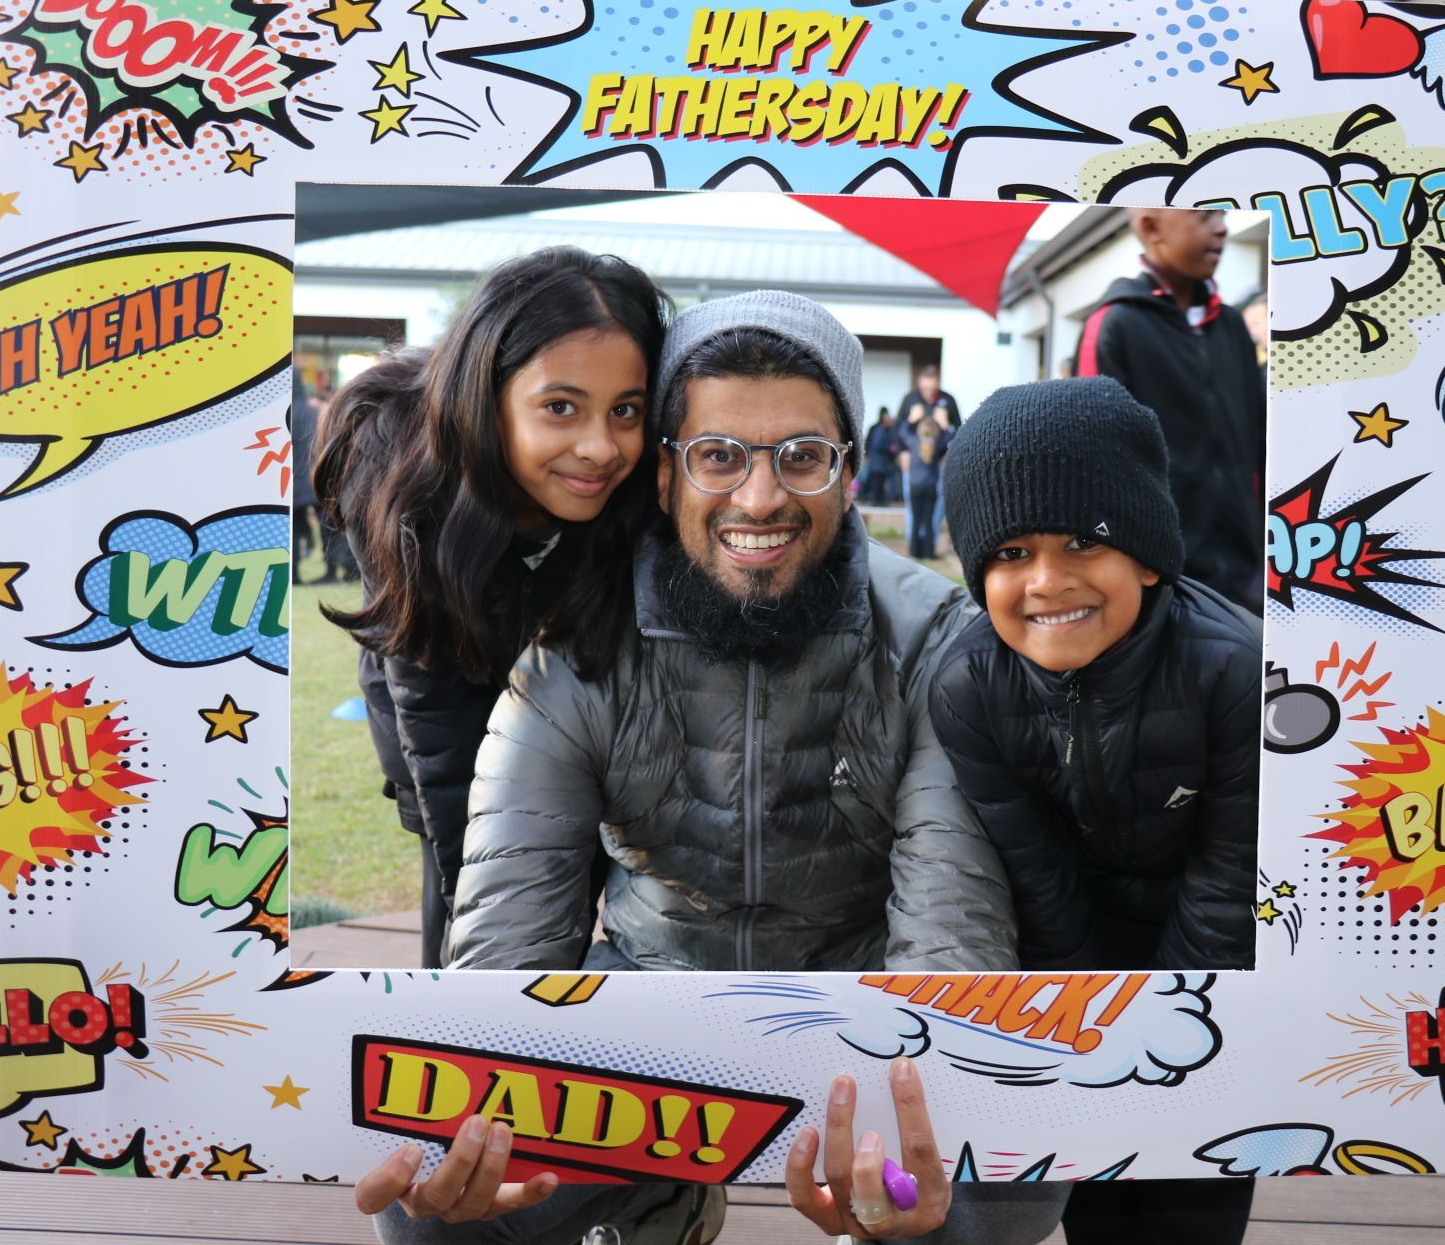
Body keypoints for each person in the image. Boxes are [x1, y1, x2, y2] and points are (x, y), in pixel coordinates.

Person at [373, 291, 1060, 1245]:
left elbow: (952, 918)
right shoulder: (580, 645)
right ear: (665, 476)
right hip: (650, 1005)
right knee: (443, 1209)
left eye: (802, 457)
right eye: (719, 455)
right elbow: (511, 924)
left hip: (861, 1010)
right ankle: (662, 1194)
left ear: (849, 473)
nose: (761, 497)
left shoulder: (938, 639)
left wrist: (922, 1109)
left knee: (993, 1188)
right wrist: (482, 1106)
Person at [933, 376, 1259, 1245]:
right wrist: (1095, 1046)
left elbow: (1231, 883)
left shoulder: (1236, 672)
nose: (1047, 581)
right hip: (1076, 972)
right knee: (1100, 1196)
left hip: (1217, 972)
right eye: (1009, 553)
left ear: (1148, 556)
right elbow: (1032, 873)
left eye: (1084, 541)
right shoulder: (968, 688)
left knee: (1195, 1193)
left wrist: (1176, 1035)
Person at [314, 246, 669, 970]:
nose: (600, 447)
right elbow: (445, 756)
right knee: (467, 910)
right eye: (560, 407)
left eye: (626, 410)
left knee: (568, 845)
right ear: (487, 394)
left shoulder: (634, 493)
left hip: (566, 700)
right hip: (431, 698)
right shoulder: (407, 488)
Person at [1075, 208, 1263, 612]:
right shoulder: (1115, 323)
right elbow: (1094, 458)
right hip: (1162, 571)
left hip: (1246, 565)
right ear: (1151, 227)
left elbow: (1259, 437)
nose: (1222, 225)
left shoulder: (1231, 326)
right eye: (1206, 214)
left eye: (1223, 213)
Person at [897, 365, 960, 547]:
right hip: (914, 461)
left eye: (932, 389)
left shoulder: (948, 400)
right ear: (919, 384)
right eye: (925, 389)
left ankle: (929, 542)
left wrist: (945, 423)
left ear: (938, 384)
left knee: (937, 503)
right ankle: (913, 541)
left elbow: (958, 431)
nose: (928, 393)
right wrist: (903, 453)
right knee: (913, 503)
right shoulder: (910, 400)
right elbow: (899, 430)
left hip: (940, 462)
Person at [902, 403, 952, 560]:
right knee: (929, 520)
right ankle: (928, 553)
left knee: (916, 519)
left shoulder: (913, 442)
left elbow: (902, 432)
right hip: (930, 487)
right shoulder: (938, 445)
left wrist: (911, 419)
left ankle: (914, 552)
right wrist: (945, 424)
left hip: (915, 486)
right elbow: (951, 438)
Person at [290, 373, 321, 584]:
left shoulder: (283, 412)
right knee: (329, 527)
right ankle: (335, 569)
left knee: (292, 529)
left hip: (289, 480)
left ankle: (293, 574)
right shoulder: (313, 412)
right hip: (313, 477)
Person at [858, 404, 902, 505]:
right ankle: (873, 500)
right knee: (875, 481)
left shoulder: (881, 428)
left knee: (878, 481)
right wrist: (890, 448)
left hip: (879, 462)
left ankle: (877, 500)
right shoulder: (880, 429)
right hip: (877, 462)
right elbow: (876, 444)